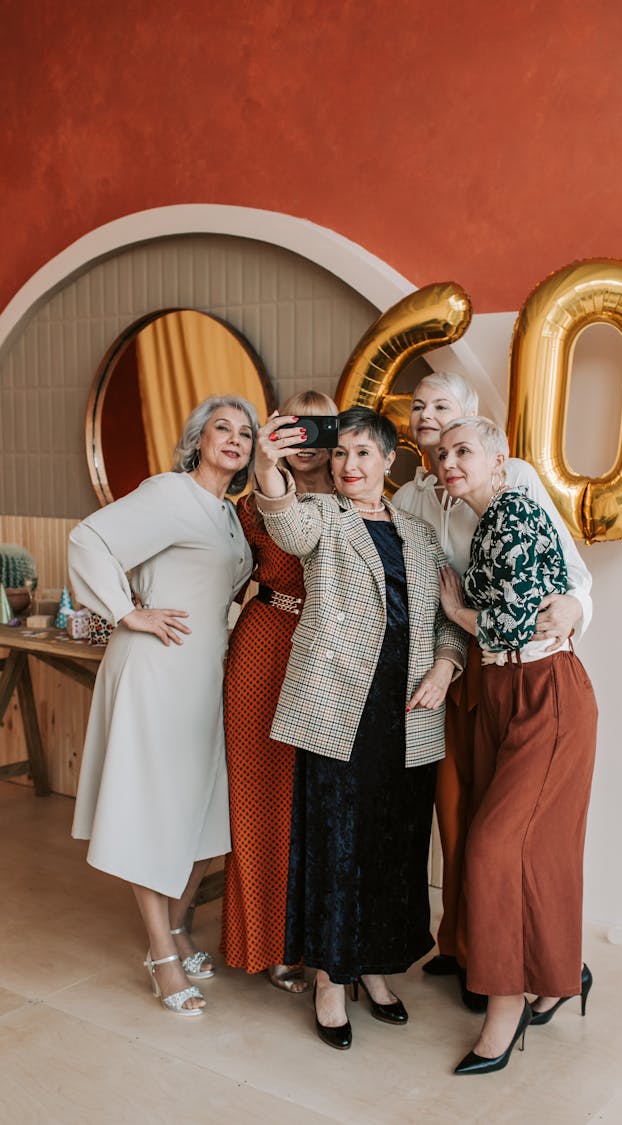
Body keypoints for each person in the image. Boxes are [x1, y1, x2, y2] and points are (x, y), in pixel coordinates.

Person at [252, 405, 467, 1050]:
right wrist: (268, 463)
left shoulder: (421, 534)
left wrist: (446, 667)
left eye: (363, 454)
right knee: (335, 847)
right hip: (337, 711)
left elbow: (448, 618)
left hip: (409, 717)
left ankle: (374, 968)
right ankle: (329, 979)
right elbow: (283, 520)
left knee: (393, 846)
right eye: (340, 454)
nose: (349, 465)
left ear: (389, 461)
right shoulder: (324, 516)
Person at [392, 371, 592, 1006]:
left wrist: (574, 610)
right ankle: (463, 945)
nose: (428, 416)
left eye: (443, 408)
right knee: (458, 814)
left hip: (517, 663)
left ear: (473, 425)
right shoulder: (412, 497)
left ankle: (504, 964)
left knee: (502, 829)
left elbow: (569, 571)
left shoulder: (515, 484)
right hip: (451, 670)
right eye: (419, 407)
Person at [68, 395, 258, 1016]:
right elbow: (88, 537)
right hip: (155, 667)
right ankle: (161, 952)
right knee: (154, 809)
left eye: (245, 432)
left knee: (206, 814)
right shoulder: (169, 493)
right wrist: (127, 612)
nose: (233, 438)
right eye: (221, 428)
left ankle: (176, 926)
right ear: (199, 438)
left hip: (204, 675)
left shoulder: (229, 515)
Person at [436, 416, 597, 1075]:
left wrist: (459, 615)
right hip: (503, 690)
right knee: (538, 850)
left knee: (495, 846)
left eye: (463, 449)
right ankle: (560, 978)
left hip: (544, 693)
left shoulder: (517, 510)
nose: (450, 460)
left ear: (498, 458)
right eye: (441, 452)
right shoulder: (484, 523)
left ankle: (505, 1010)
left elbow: (518, 617)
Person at [221, 390, 338, 994]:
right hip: (265, 645)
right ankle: (267, 942)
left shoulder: (358, 498)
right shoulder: (250, 505)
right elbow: (219, 573)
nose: (308, 440)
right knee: (262, 794)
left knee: (318, 805)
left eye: (321, 426)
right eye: (296, 427)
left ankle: (321, 939)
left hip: (332, 660)